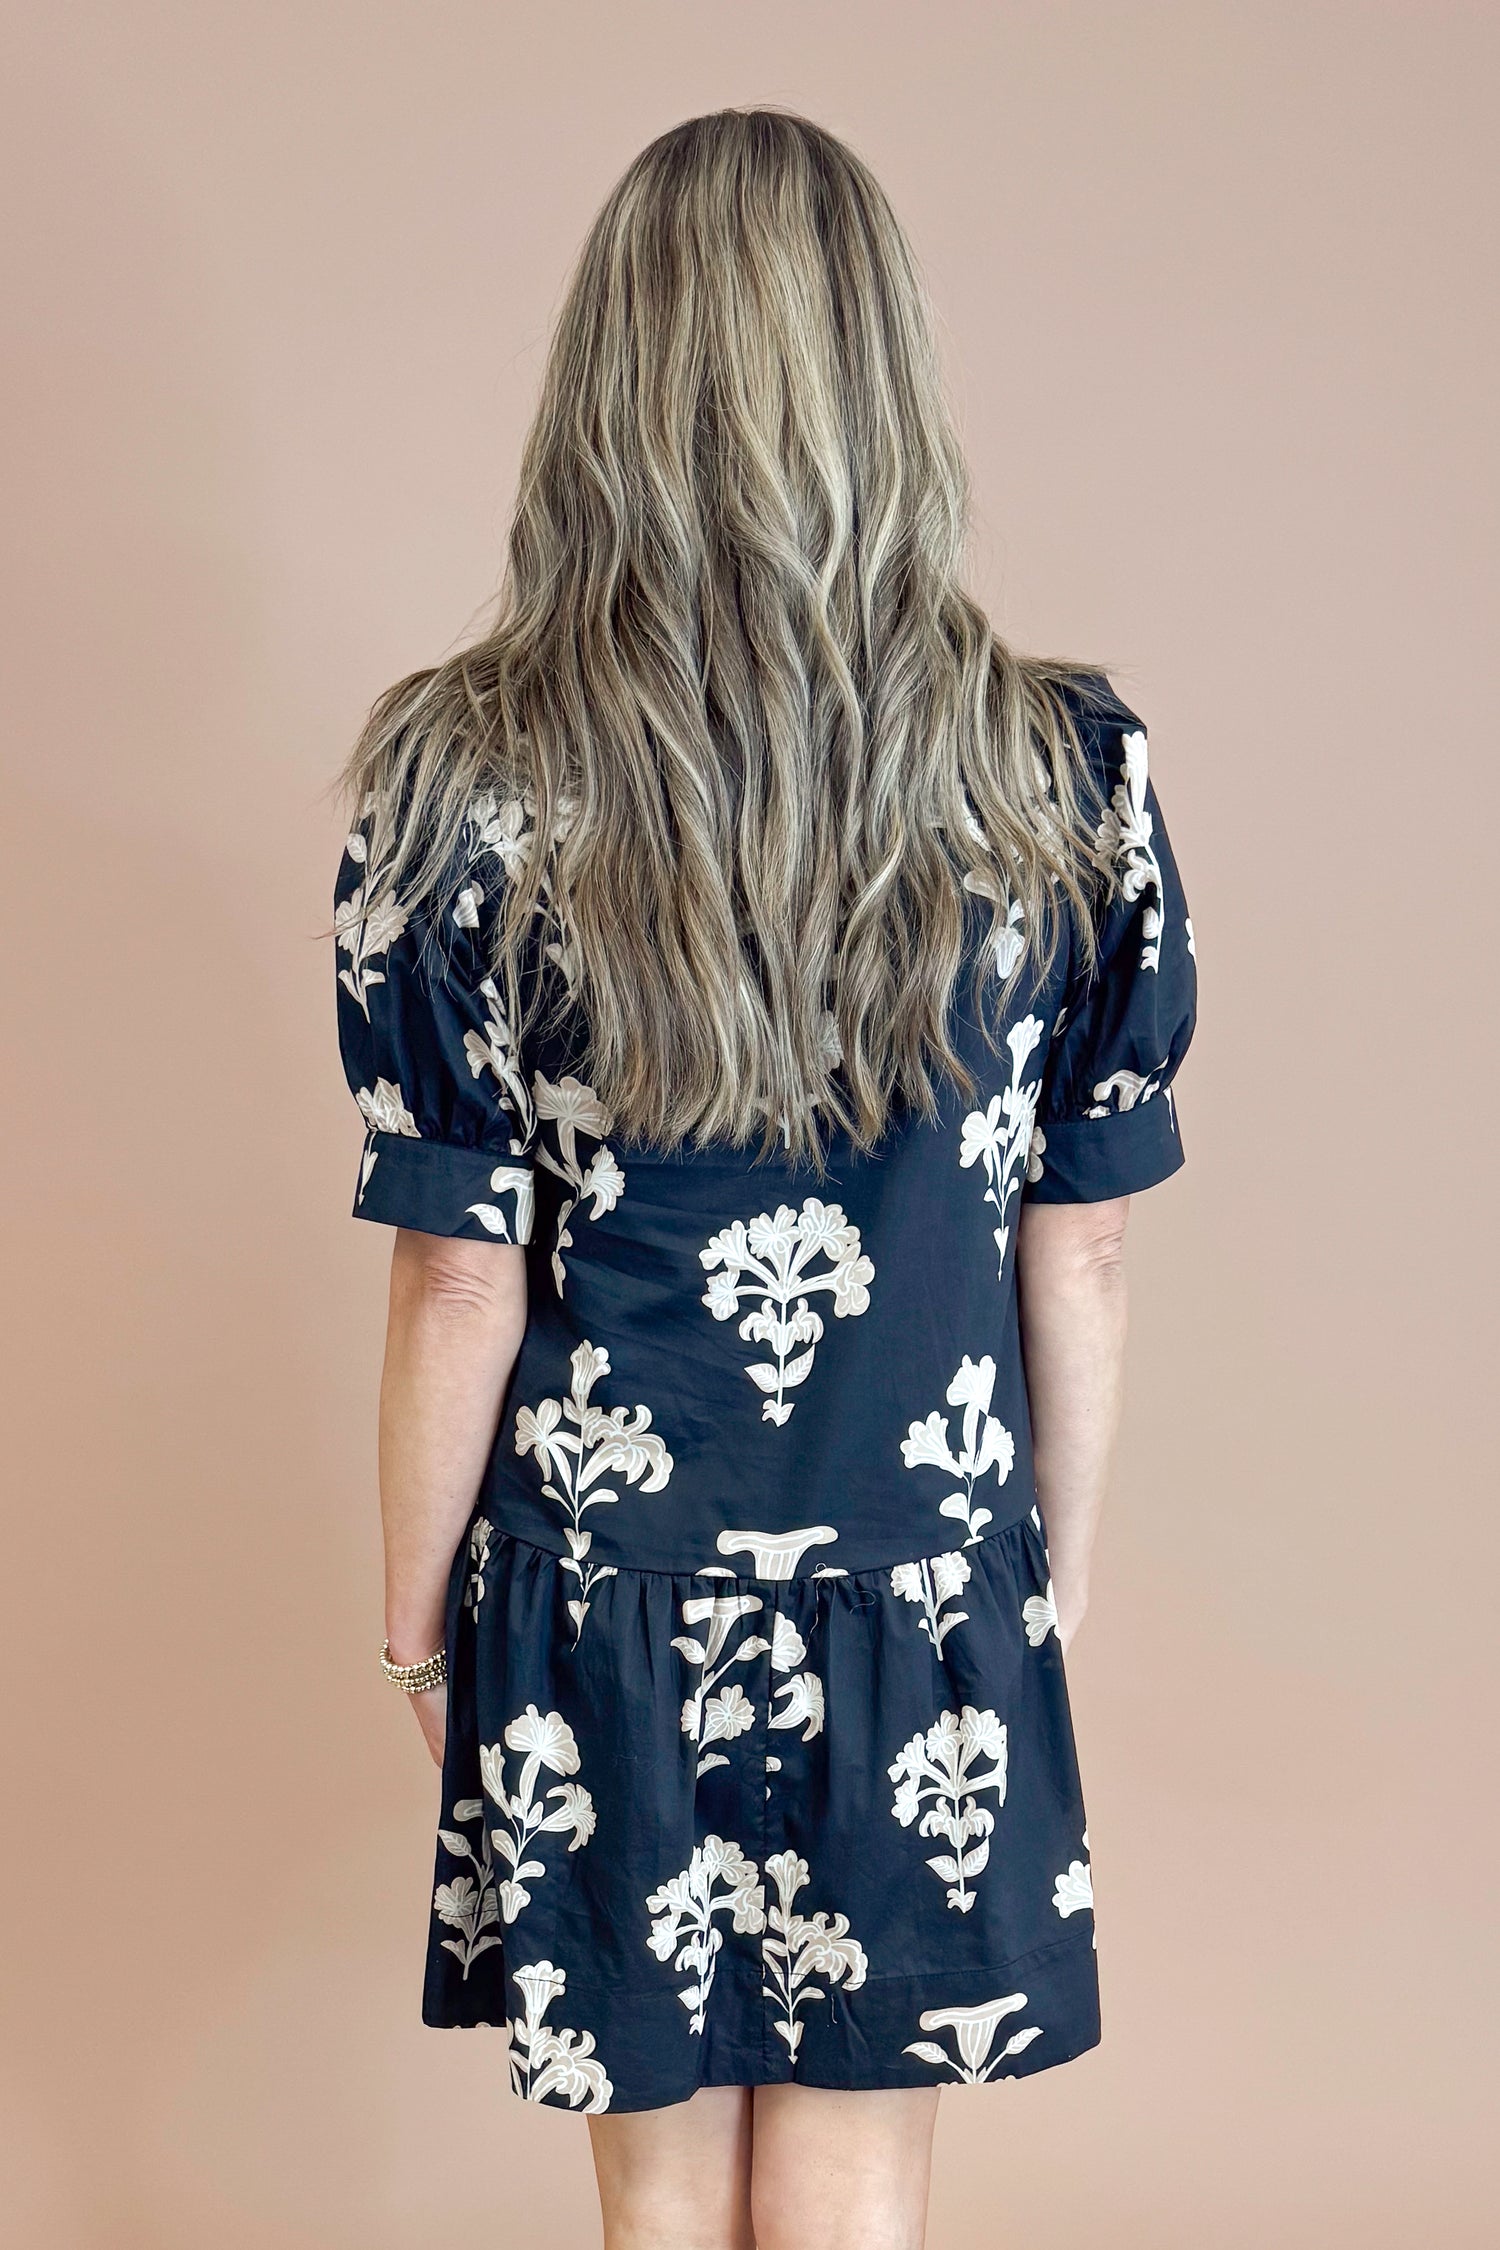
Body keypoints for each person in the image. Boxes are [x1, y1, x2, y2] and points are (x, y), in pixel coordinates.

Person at [332, 106, 1196, 2250]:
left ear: (604, 391)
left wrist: (419, 1629)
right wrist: (1047, 1572)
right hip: (921, 1568)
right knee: (853, 2187)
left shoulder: (458, 781)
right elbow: (1078, 1242)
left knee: (658, 2196)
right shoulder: (1062, 775)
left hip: (606, 1585)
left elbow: (460, 1275)